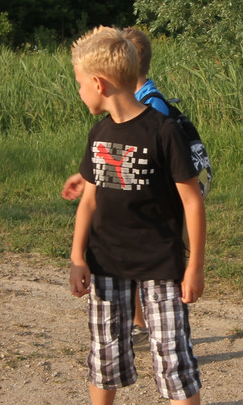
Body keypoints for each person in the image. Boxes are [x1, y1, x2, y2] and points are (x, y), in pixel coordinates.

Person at [66, 26, 211, 405]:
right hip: (106, 263)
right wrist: (76, 257)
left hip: (162, 266)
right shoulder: (99, 134)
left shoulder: (163, 131)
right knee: (107, 349)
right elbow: (89, 200)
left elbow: (193, 202)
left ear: (100, 83)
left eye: (80, 83)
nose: (80, 91)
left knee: (173, 356)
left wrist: (195, 266)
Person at [60, 27, 172, 343]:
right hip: (124, 232)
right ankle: (139, 324)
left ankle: (144, 325)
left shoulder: (154, 111)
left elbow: (147, 162)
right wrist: (88, 176)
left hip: (149, 227)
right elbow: (124, 156)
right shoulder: (109, 123)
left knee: (142, 279)